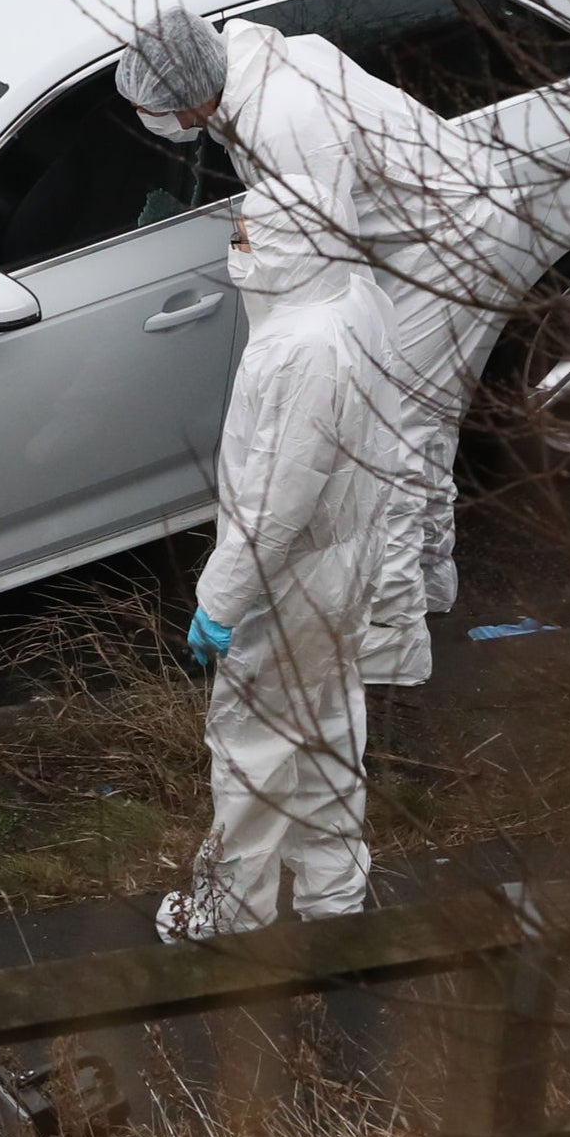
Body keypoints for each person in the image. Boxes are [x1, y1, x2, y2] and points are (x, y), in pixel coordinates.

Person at [117, 2, 502, 689]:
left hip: (443, 244)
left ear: (192, 93)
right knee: (417, 422)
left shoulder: (284, 119)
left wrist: (308, 358)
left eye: (157, 109)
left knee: (393, 436)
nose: (152, 121)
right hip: (406, 233)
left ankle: (387, 647)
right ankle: (430, 584)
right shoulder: (245, 83)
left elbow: (318, 249)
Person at [159, 166, 394, 939]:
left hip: (291, 573)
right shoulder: (353, 298)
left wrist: (220, 599)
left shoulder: (302, 349)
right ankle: (332, 896)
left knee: (251, 745)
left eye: (249, 235)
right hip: (346, 553)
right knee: (326, 724)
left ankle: (231, 914)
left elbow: (276, 499)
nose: (238, 248)